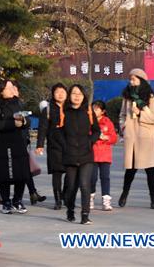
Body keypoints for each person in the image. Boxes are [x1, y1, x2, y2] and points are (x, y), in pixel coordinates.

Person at [118, 67, 154, 209]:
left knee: (150, 170)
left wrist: (140, 112)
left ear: (141, 80)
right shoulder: (127, 96)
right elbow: (122, 115)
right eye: (130, 79)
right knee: (130, 170)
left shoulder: (150, 97)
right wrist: (124, 127)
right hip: (132, 136)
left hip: (146, 137)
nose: (131, 81)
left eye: (134, 79)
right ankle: (124, 194)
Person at [59, 84, 100, 225]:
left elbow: (96, 130)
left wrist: (90, 142)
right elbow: (58, 132)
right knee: (71, 187)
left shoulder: (88, 111)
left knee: (84, 184)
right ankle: (70, 209)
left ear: (84, 96)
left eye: (80, 94)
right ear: (69, 95)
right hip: (69, 155)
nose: (77, 96)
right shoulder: (64, 111)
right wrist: (65, 145)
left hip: (86, 154)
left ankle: (85, 214)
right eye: (74, 93)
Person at [0, 79, 29, 214]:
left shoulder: (18, 103)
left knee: (22, 173)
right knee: (5, 175)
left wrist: (23, 121)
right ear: (1, 91)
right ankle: (6, 201)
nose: (12, 90)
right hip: (3, 145)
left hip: (19, 143)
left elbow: (27, 120)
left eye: (13, 87)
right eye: (9, 88)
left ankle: (17, 200)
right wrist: (13, 124)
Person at [36, 82, 68, 209]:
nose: (60, 94)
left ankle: (65, 194)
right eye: (57, 92)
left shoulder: (71, 107)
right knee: (57, 173)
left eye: (62, 92)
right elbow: (42, 128)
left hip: (69, 144)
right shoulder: (48, 109)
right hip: (54, 144)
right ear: (53, 94)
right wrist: (40, 145)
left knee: (71, 173)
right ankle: (58, 200)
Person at [90, 99, 118, 211]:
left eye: (97, 109)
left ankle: (106, 200)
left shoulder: (108, 122)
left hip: (105, 155)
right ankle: (90, 198)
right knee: (92, 178)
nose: (94, 110)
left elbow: (114, 138)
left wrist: (107, 138)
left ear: (103, 111)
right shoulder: (89, 121)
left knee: (105, 177)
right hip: (92, 154)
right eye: (93, 108)